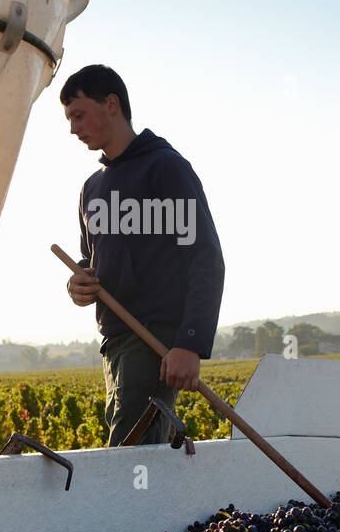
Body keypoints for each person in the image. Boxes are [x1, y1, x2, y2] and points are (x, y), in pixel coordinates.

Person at [61, 65, 225, 446]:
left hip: (154, 338)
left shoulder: (166, 168)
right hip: (113, 341)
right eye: (69, 119)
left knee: (128, 455)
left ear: (112, 104)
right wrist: (79, 283)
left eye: (79, 115)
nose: (73, 128)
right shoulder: (92, 188)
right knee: (141, 453)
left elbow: (205, 257)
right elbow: (91, 260)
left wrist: (190, 343)